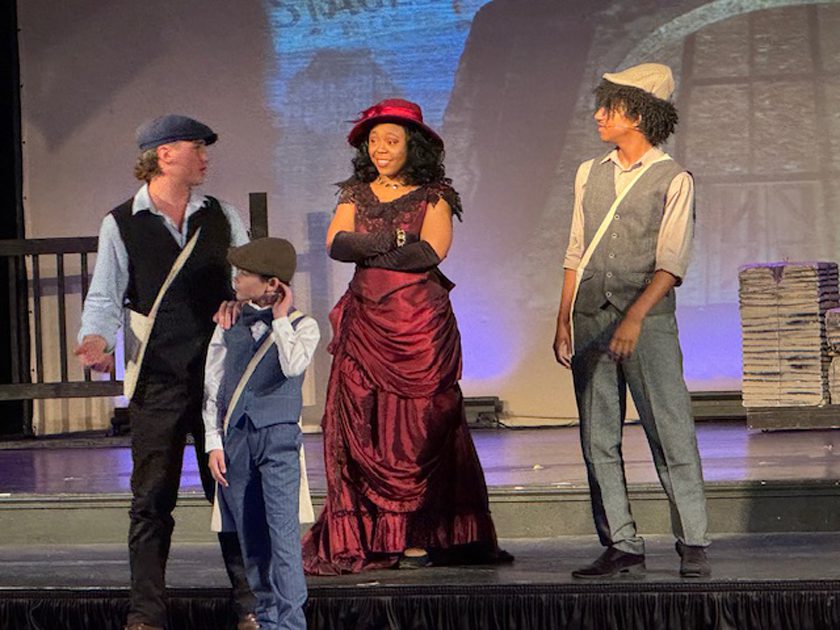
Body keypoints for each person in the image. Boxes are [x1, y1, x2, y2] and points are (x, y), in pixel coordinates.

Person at [301, 98, 508, 574]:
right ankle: (371, 535)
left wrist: (371, 249)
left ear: (412, 146)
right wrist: (394, 240)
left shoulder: (434, 195)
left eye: (391, 140)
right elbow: (338, 244)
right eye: (374, 141)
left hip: (419, 327)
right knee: (363, 426)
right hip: (366, 325)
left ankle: (418, 535)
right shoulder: (355, 193)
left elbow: (429, 253)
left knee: (419, 431)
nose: (380, 149)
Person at [74, 114, 258, 630]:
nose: (205, 157)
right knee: (152, 500)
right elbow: (106, 294)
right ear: (164, 154)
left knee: (230, 493)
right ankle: (146, 612)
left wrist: (242, 300)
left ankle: (251, 603)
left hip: (218, 377)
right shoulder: (122, 222)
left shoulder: (221, 216)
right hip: (157, 379)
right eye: (197, 148)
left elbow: (246, 280)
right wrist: (96, 340)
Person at [553, 63, 711, 579]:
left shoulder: (674, 178)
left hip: (648, 323)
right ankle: (621, 541)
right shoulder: (589, 172)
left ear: (639, 115)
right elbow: (576, 250)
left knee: (669, 429)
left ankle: (692, 540)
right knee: (598, 436)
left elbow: (671, 262)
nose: (599, 115)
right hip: (590, 316)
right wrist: (563, 319)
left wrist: (635, 317)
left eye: (611, 108)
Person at [204, 237, 320, 630]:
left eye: (244, 274)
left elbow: (292, 366)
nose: (235, 280)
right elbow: (213, 387)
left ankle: (291, 623)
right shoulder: (228, 323)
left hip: (278, 440)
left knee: (283, 537)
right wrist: (213, 442)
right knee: (250, 536)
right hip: (237, 439)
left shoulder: (304, 326)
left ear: (272, 283)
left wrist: (281, 318)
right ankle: (267, 619)